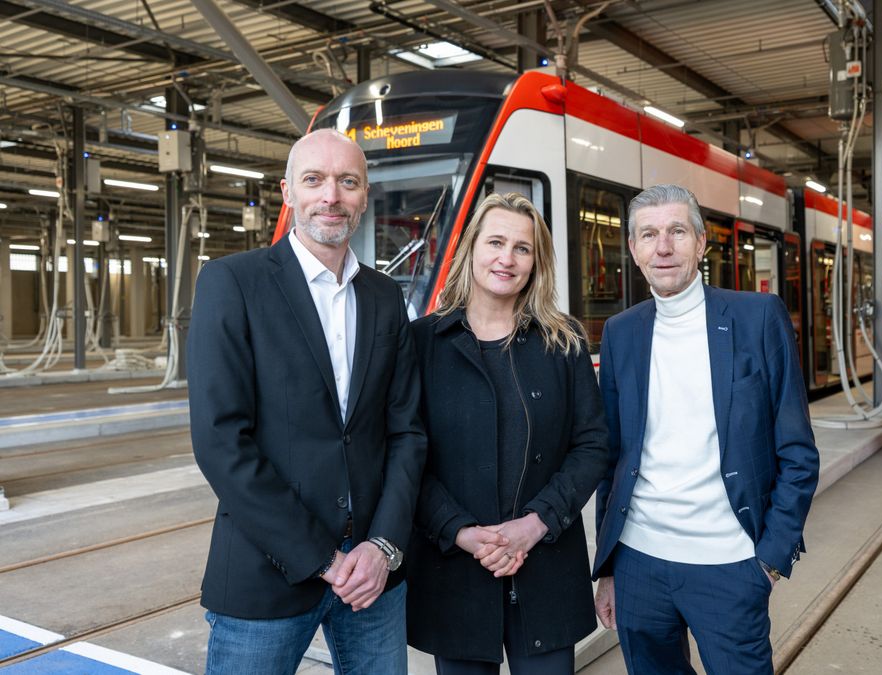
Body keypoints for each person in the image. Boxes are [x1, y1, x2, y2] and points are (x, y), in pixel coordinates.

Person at [188, 128, 426, 674]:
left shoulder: (387, 298)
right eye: (314, 180)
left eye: (347, 182)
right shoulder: (232, 283)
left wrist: (383, 547)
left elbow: (407, 432)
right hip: (266, 572)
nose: (331, 196)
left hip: (372, 579)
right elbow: (221, 442)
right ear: (288, 192)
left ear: (365, 196)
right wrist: (321, 559)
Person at [592, 184, 820, 673]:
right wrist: (609, 568)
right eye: (648, 235)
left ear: (701, 243)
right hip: (638, 563)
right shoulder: (621, 332)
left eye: (677, 231)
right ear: (633, 249)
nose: (664, 246)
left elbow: (798, 451)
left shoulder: (757, 317)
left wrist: (769, 560)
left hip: (730, 564)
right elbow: (610, 459)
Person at [406, 192, 608, 673]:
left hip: (546, 567)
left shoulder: (564, 341)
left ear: (536, 263)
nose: (507, 258)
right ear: (471, 247)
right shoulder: (422, 343)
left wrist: (535, 524)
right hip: (454, 567)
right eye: (496, 241)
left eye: (522, 248)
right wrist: (459, 531)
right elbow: (406, 454)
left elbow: (592, 445)